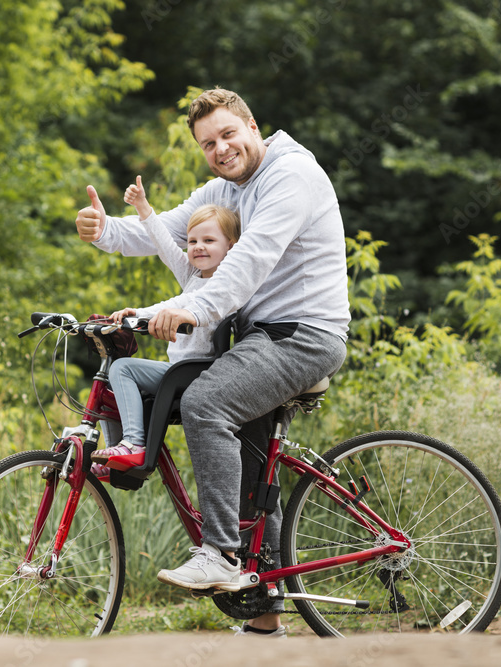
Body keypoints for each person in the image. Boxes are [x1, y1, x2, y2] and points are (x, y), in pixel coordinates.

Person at [75, 87, 350, 638]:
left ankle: (221, 553)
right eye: (208, 143)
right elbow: (169, 229)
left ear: (252, 125)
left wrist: (185, 309)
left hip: (303, 336)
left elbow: (245, 267)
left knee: (204, 401)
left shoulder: (289, 176)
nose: (220, 149)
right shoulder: (225, 187)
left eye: (228, 134)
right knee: (249, 466)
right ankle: (265, 613)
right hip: (256, 341)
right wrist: (105, 231)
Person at [90, 176, 241, 476]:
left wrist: (144, 208)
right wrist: (140, 312)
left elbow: (186, 306)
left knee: (123, 369)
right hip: (179, 371)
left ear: (231, 246)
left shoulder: (229, 284)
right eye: (194, 241)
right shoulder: (194, 276)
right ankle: (115, 455)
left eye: (209, 241)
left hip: (199, 373)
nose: (198, 247)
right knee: (108, 380)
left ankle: (133, 443)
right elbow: (166, 249)